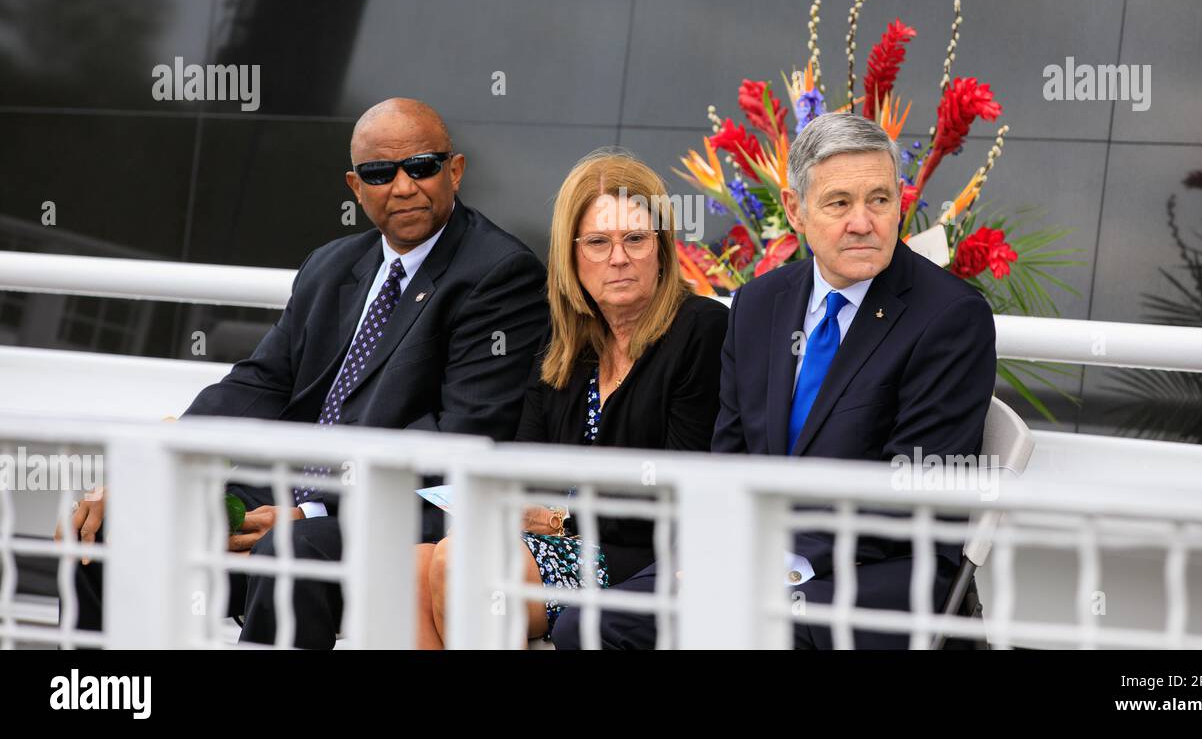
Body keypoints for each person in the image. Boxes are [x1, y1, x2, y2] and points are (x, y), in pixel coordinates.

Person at [60, 98, 548, 648]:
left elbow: (461, 438)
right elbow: (259, 382)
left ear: (453, 171)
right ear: (355, 186)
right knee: (111, 525)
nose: (404, 186)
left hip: (407, 506)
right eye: (380, 173)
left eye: (422, 166)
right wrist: (152, 463)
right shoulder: (331, 265)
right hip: (293, 488)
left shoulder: (499, 274)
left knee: (292, 550)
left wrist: (311, 507)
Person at [553, 112, 996, 649]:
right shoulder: (761, 303)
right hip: (751, 557)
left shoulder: (948, 316)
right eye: (839, 203)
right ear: (795, 210)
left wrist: (775, 566)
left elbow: (910, 493)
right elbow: (730, 457)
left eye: (878, 200)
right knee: (591, 626)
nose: (863, 221)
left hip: (879, 567)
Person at [413, 150, 728, 648]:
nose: (618, 258)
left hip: (642, 555)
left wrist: (560, 519)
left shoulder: (701, 329)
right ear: (571, 254)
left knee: (462, 562)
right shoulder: (567, 341)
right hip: (558, 543)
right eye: (599, 242)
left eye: (636, 239)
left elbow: (675, 489)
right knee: (413, 567)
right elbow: (524, 463)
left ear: (663, 247)